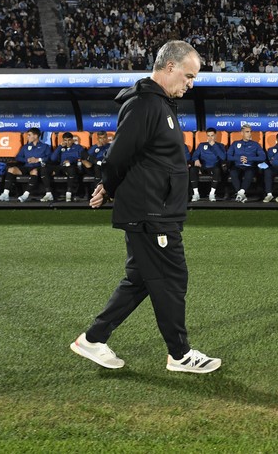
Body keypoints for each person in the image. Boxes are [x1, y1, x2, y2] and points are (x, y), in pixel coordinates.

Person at [70, 40, 221, 374]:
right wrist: (107, 186)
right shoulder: (144, 104)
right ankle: (180, 354)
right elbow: (120, 153)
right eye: (188, 76)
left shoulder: (159, 105)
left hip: (156, 210)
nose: (190, 84)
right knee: (170, 277)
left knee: (140, 279)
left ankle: (93, 339)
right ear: (169, 67)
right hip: (151, 213)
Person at [0, 127, 50, 202]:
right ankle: (5, 194)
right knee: (11, 169)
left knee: (34, 171)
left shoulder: (45, 146)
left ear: (36, 136)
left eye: (29, 135)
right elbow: (18, 157)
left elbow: (49, 158)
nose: (27, 137)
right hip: (26, 167)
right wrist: (26, 160)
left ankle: (25, 195)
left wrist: (38, 160)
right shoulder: (25, 147)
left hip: (37, 168)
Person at [40, 131, 88, 202]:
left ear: (72, 140)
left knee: (71, 169)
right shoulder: (61, 148)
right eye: (65, 140)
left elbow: (81, 157)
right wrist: (59, 147)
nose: (67, 142)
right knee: (44, 169)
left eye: (69, 140)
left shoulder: (78, 147)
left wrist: (70, 160)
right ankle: (48, 193)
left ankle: (69, 194)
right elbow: (53, 158)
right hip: (61, 166)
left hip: (72, 166)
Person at [226, 124, 265, 203]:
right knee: (233, 172)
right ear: (242, 133)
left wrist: (249, 159)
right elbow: (228, 156)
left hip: (250, 166)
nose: (249, 134)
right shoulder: (235, 143)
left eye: (250, 132)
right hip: (237, 165)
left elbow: (263, 157)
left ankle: (240, 193)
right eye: (247, 132)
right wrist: (238, 158)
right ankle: (241, 194)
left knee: (249, 172)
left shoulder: (255, 144)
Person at [189, 128, 226, 202]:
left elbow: (223, 157)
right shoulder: (202, 145)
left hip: (214, 167)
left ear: (215, 136)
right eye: (208, 136)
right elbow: (194, 155)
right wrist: (196, 159)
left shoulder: (220, 145)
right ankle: (196, 194)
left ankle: (212, 193)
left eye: (212, 136)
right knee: (192, 169)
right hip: (202, 167)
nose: (210, 138)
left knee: (217, 170)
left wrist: (214, 145)